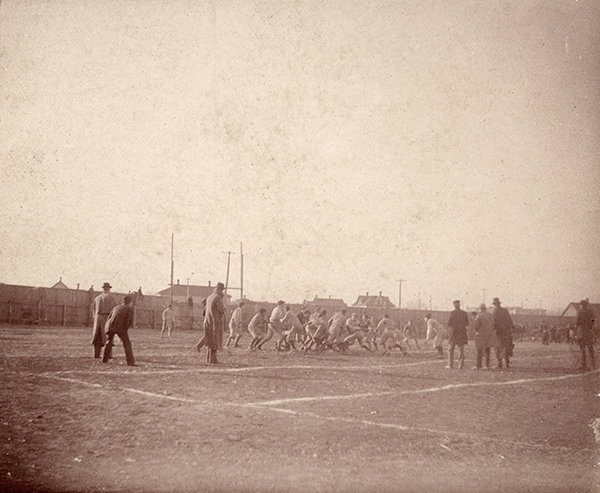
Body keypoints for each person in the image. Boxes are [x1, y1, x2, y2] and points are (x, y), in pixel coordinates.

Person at [102, 295, 136, 366]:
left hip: (110, 326)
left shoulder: (116, 307)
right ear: (130, 302)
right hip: (120, 327)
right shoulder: (129, 308)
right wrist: (124, 330)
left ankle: (104, 359)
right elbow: (129, 321)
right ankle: (130, 362)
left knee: (109, 341)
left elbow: (109, 317)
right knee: (127, 344)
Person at [91, 282, 117, 359]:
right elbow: (114, 310)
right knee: (108, 336)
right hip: (106, 318)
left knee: (97, 336)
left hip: (97, 319)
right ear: (108, 289)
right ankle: (108, 355)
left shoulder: (97, 298)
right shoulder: (111, 298)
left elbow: (94, 310)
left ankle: (96, 354)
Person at [203, 282, 226, 364]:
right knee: (215, 339)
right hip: (215, 321)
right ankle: (213, 359)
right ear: (220, 290)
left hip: (207, 321)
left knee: (209, 339)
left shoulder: (209, 297)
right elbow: (221, 309)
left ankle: (208, 358)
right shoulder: (218, 297)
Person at [472, 304, 497, 370]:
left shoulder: (479, 316)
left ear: (480, 309)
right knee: (487, 350)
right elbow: (494, 324)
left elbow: (476, 326)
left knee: (479, 350)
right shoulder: (490, 315)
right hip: (489, 334)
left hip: (481, 334)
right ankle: (487, 365)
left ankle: (478, 365)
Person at [491, 298, 514, 369]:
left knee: (498, 347)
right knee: (506, 347)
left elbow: (493, 322)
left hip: (498, 332)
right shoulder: (505, 311)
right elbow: (510, 321)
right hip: (506, 332)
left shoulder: (495, 311)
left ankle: (499, 363)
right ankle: (507, 363)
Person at [447, 300, 469, 369]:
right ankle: (460, 365)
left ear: (454, 305)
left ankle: (450, 365)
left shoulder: (452, 313)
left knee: (451, 349)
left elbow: (449, 323)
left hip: (454, 333)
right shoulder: (464, 313)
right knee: (461, 349)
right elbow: (467, 323)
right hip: (462, 332)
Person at [575, 299, 595, 371]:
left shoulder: (580, 312)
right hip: (588, 333)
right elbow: (593, 321)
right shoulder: (590, 312)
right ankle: (593, 365)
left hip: (581, 333)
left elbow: (577, 322)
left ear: (582, 305)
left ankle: (584, 365)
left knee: (583, 350)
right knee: (590, 349)